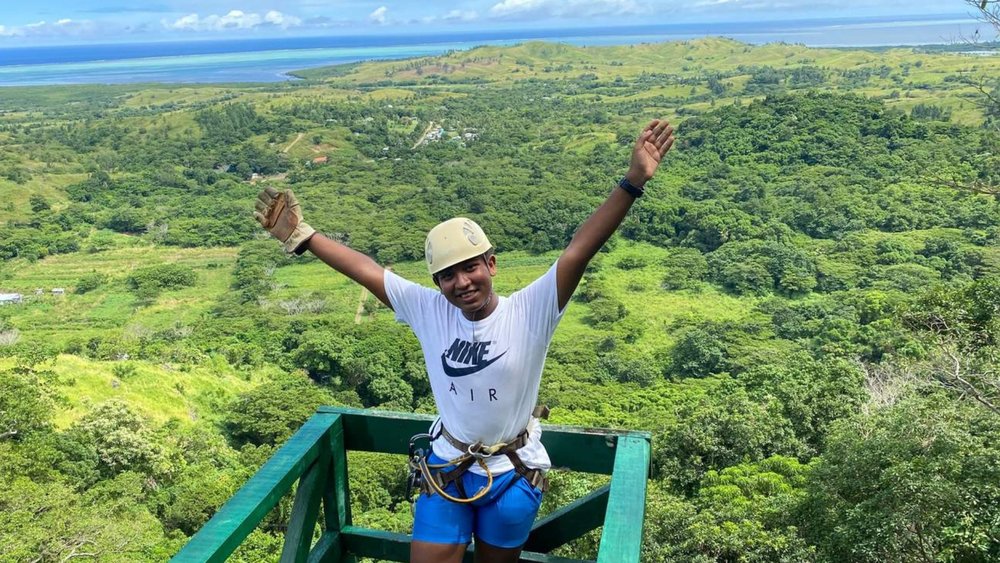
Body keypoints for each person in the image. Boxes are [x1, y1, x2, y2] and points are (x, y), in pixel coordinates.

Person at [254, 119, 675, 563]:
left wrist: (632, 182)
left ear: (491, 264)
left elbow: (578, 251)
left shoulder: (529, 311)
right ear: (437, 283)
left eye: (471, 267)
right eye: (448, 275)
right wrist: (304, 236)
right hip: (447, 469)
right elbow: (367, 270)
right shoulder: (430, 311)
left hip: (512, 472)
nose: (462, 282)